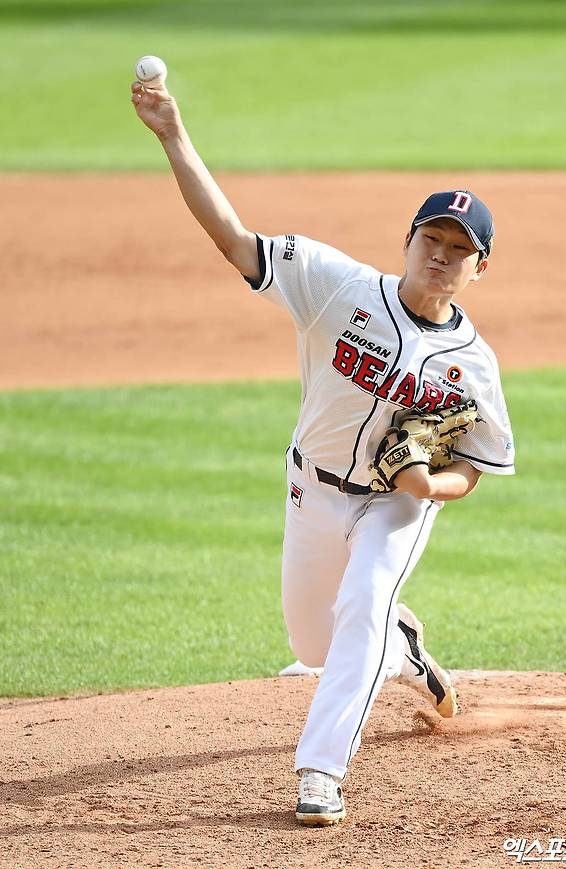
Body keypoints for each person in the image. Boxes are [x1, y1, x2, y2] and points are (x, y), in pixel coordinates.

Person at [131, 77, 515, 827]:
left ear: (480, 267)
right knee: (315, 639)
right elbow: (233, 239)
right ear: (408, 238)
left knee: (365, 600)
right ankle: (405, 649)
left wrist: (432, 487)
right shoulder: (338, 286)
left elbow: (476, 461)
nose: (440, 256)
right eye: (430, 239)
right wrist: (173, 135)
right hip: (310, 488)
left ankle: (321, 771)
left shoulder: (475, 363)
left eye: (458, 251)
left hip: (396, 505)